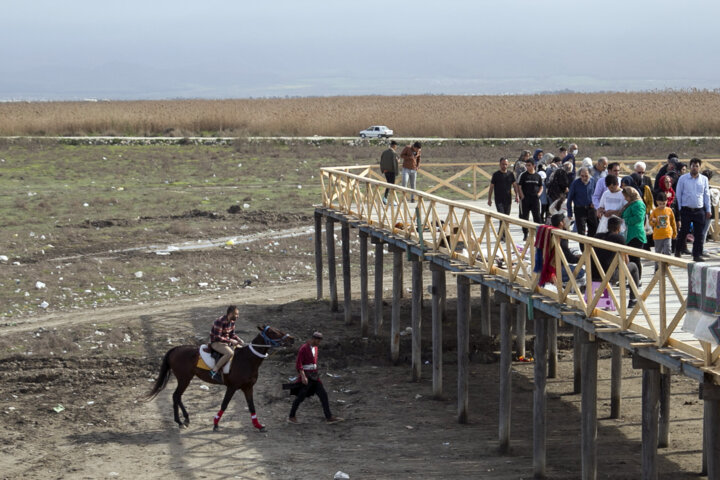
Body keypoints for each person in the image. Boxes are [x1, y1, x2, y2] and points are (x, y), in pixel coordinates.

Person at [288, 332, 343, 424]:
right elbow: (299, 364)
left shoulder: (316, 348)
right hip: (307, 376)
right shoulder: (303, 348)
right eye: (318, 341)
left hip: (314, 376)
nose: (319, 343)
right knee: (300, 397)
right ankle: (291, 416)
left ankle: (329, 417)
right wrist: (303, 376)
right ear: (313, 339)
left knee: (323, 395)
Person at [593, 216, 641, 308]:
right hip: (609, 275)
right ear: (619, 228)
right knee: (633, 266)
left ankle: (606, 301)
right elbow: (626, 261)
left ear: (607, 226)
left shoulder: (597, 236)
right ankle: (633, 299)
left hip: (593, 274)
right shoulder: (619, 238)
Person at [675, 157, 711, 262]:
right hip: (686, 209)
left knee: (699, 233)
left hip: (699, 209)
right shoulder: (683, 178)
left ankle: (697, 254)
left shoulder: (704, 179)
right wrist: (680, 208)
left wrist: (708, 209)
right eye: (693, 166)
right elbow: (678, 193)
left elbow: (706, 195)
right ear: (690, 167)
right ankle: (678, 249)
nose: (694, 168)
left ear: (699, 167)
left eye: (697, 166)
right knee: (684, 231)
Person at [209, 306, 245, 380]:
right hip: (216, 343)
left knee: (242, 350)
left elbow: (232, 334)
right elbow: (217, 337)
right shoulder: (219, 321)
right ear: (230, 314)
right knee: (230, 353)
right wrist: (231, 341)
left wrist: (239, 340)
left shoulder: (232, 322)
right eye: (236, 314)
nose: (238, 316)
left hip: (226, 342)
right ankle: (214, 370)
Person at [620, 186, 647, 278]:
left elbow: (638, 218)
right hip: (629, 234)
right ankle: (631, 279)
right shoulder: (630, 204)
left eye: (626, 196)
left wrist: (625, 220)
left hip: (636, 235)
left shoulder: (638, 204)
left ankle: (637, 279)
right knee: (630, 258)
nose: (625, 198)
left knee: (635, 258)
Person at [487, 157, 517, 239]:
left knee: (506, 218)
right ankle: (501, 235)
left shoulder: (510, 174)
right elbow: (491, 187)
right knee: (502, 217)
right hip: (499, 200)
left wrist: (517, 196)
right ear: (500, 164)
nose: (504, 166)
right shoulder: (496, 175)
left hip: (508, 199)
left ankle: (503, 234)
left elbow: (515, 186)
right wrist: (489, 199)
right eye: (503, 164)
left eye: (506, 164)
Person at [515, 157, 543, 240]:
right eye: (526, 165)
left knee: (537, 217)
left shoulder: (538, 176)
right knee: (524, 217)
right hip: (525, 199)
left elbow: (541, 186)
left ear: (534, 166)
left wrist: (538, 194)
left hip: (535, 199)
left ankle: (539, 234)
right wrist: (522, 196)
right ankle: (525, 234)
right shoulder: (523, 175)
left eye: (529, 165)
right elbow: (519, 186)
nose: (527, 167)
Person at [649, 191, 677, 271]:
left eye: (663, 204)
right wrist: (653, 221)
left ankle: (668, 267)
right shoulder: (655, 211)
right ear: (657, 202)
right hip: (658, 235)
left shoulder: (669, 210)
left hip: (667, 233)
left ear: (666, 202)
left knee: (668, 250)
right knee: (658, 252)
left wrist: (674, 233)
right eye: (660, 204)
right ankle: (657, 268)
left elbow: (673, 222)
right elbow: (650, 222)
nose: (662, 206)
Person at [566, 166, 597, 239]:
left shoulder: (593, 181)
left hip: (591, 209)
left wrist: (595, 203)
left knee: (594, 229)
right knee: (581, 232)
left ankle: (590, 248)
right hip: (580, 210)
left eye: (586, 176)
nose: (584, 178)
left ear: (589, 174)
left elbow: (596, 195)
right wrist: (569, 213)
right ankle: (583, 249)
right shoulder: (575, 183)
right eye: (582, 176)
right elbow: (569, 198)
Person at [379, 140, 399, 204]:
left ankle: (385, 198)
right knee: (392, 185)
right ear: (394, 146)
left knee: (388, 184)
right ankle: (391, 200)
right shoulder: (393, 153)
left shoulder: (384, 152)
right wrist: (396, 172)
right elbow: (394, 163)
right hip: (392, 171)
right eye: (396, 146)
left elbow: (381, 161)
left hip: (386, 171)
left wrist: (383, 170)